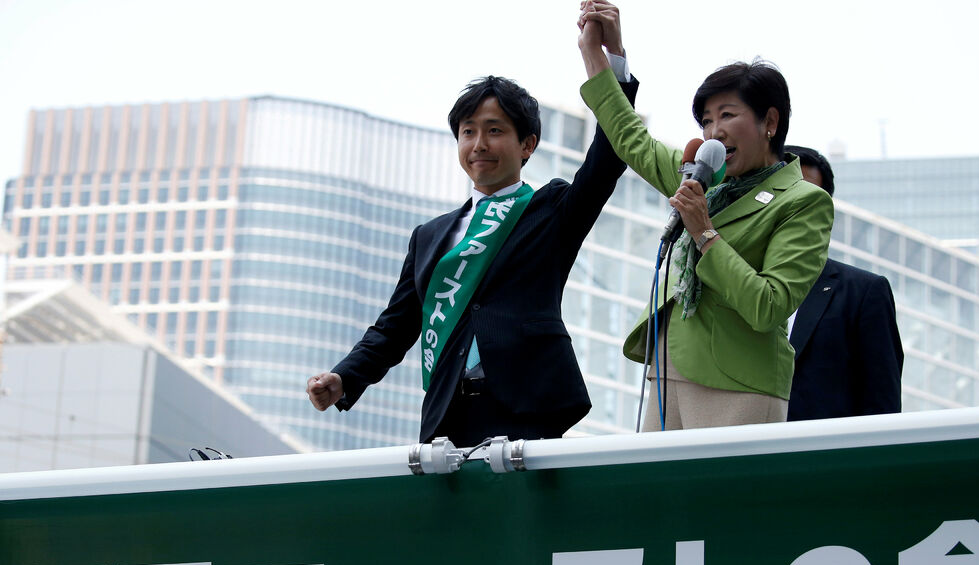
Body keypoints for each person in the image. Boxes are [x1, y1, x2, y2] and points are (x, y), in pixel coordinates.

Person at [307, 28, 639, 446]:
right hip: (449, 413)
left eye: (495, 131)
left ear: (527, 144)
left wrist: (612, 64)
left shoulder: (551, 209)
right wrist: (344, 376)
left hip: (529, 406)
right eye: (468, 132)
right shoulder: (429, 236)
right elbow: (394, 328)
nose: (479, 144)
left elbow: (606, 160)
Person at [577, 1, 833, 430]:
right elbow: (630, 139)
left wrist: (704, 232)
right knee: (661, 498)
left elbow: (768, 306)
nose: (713, 131)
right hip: (667, 368)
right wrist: (600, 55)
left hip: (740, 385)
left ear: (769, 120)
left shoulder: (802, 200)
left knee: (729, 499)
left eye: (727, 116)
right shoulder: (702, 179)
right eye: (706, 120)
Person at [784, 145, 904, 420]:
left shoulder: (863, 293)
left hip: (825, 458)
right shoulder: (719, 285)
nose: (792, 208)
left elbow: (882, 410)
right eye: (783, 194)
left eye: (808, 198)